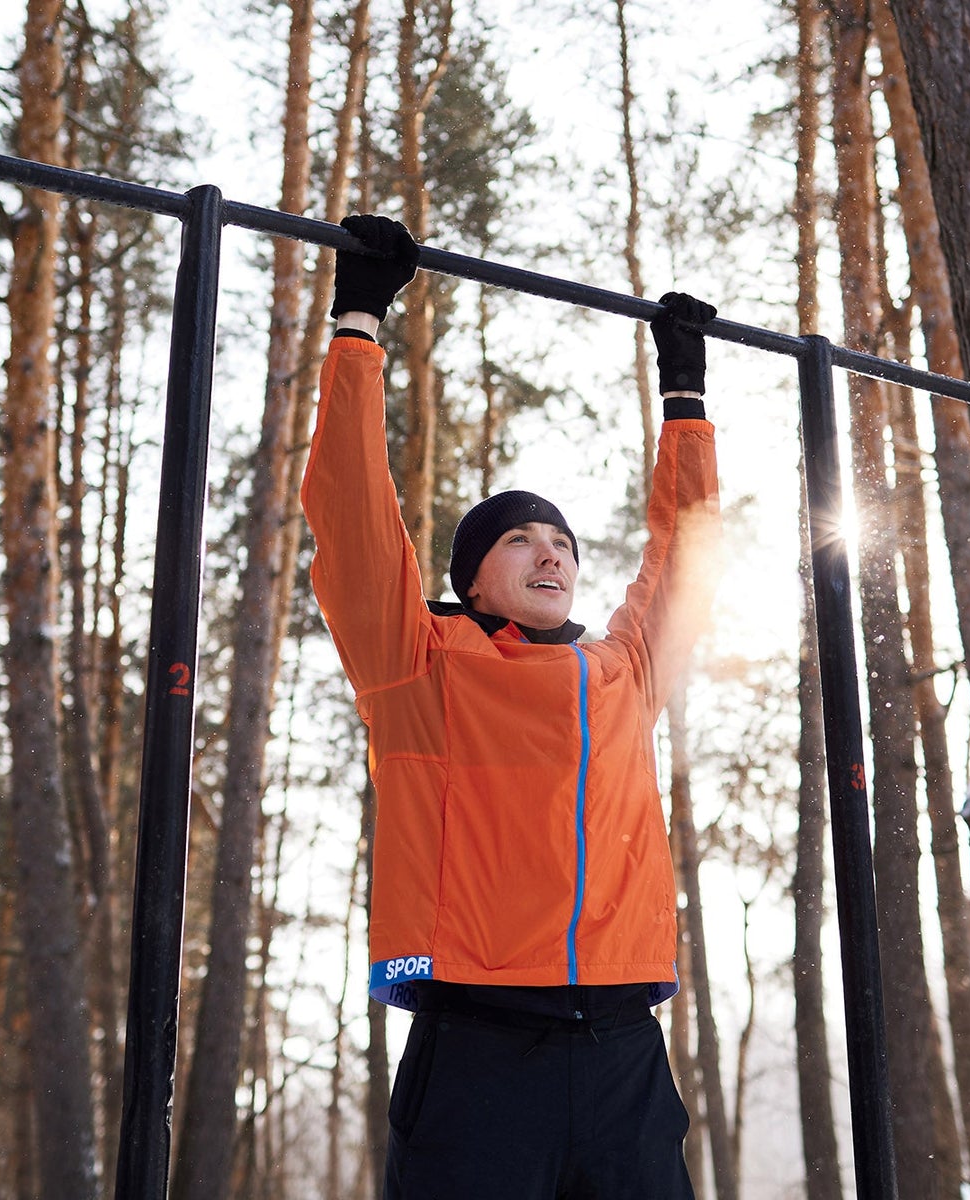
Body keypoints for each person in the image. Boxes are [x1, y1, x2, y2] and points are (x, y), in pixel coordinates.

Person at [300, 213, 722, 1200]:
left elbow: (688, 552)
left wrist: (686, 397)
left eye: (564, 543)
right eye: (520, 541)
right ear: (473, 582)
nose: (551, 553)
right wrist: (358, 321)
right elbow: (356, 518)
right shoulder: (420, 667)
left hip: (623, 1049)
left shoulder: (624, 672)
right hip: (481, 1050)